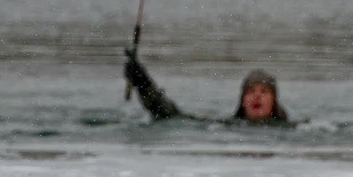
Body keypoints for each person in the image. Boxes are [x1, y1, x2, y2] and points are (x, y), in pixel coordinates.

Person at [123, 49, 293, 125]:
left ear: (274, 101)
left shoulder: (292, 131)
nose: (257, 96)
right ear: (242, 101)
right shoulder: (226, 127)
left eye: (264, 92)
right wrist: (143, 83)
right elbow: (171, 117)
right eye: (251, 92)